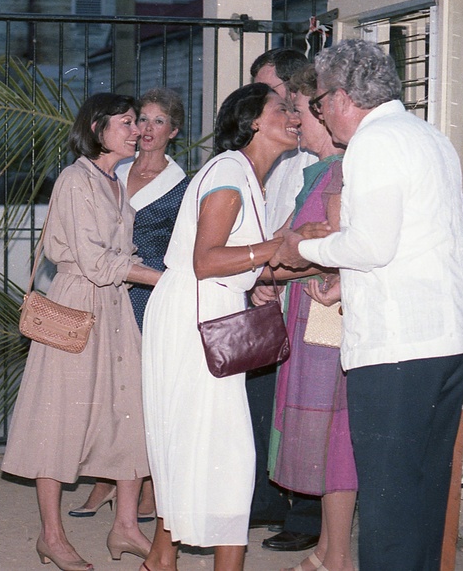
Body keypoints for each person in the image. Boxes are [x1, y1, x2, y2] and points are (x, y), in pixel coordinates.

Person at [276, 39, 463, 571]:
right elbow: (418, 241)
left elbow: (369, 246)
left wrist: (305, 248)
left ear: (342, 98)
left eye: (317, 104)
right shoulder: (427, 136)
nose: (320, 115)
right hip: (447, 341)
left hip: (397, 351)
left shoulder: (372, 143)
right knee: (421, 495)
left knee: (388, 505)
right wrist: (347, 282)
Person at [140, 83, 329, 571]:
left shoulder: (247, 176)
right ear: (252, 123)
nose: (293, 116)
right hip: (193, 318)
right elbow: (207, 260)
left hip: (203, 313)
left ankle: (161, 559)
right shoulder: (228, 173)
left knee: (196, 443)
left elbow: (252, 263)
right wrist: (283, 243)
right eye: (281, 109)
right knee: (228, 452)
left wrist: (316, 256)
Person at [2, 93, 161, 571]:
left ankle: (126, 526)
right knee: (59, 421)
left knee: (130, 411)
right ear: (97, 128)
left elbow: (119, 254)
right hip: (78, 305)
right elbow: (94, 263)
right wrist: (164, 277)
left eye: (138, 123)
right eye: (127, 122)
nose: (137, 130)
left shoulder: (115, 181)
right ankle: (52, 536)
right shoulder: (76, 180)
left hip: (114, 307)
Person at [69, 88, 190, 523]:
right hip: (108, 291)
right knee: (110, 390)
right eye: (142, 120)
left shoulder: (185, 184)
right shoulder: (109, 171)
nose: (147, 129)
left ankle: (150, 487)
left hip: (152, 294)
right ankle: (106, 480)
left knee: (149, 392)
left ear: (173, 131)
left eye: (159, 122)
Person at [257, 64, 356, 571]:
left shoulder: (341, 171)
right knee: (320, 438)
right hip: (306, 314)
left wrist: (285, 257)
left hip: (326, 319)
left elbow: (329, 248)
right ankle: (326, 549)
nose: (296, 121)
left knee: (334, 438)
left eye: (301, 111)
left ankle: (335, 554)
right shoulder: (316, 172)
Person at [248, 48, 323, 553]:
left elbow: (305, 230)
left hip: (302, 290)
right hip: (269, 286)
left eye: (274, 93)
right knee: (268, 403)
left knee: (308, 405)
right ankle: (272, 500)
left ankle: (308, 516)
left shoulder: (317, 158)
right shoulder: (279, 155)